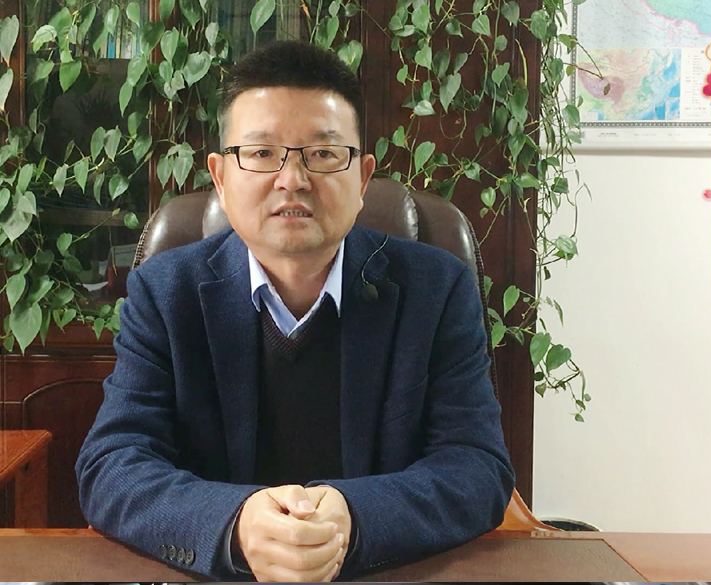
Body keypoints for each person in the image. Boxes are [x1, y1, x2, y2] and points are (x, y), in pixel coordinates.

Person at [75, 40, 514, 582]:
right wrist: (235, 524)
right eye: (262, 153)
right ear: (220, 177)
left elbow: (476, 466)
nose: (292, 179)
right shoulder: (166, 292)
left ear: (362, 178)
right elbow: (113, 465)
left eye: (323, 154)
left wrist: (355, 517)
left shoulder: (436, 289)